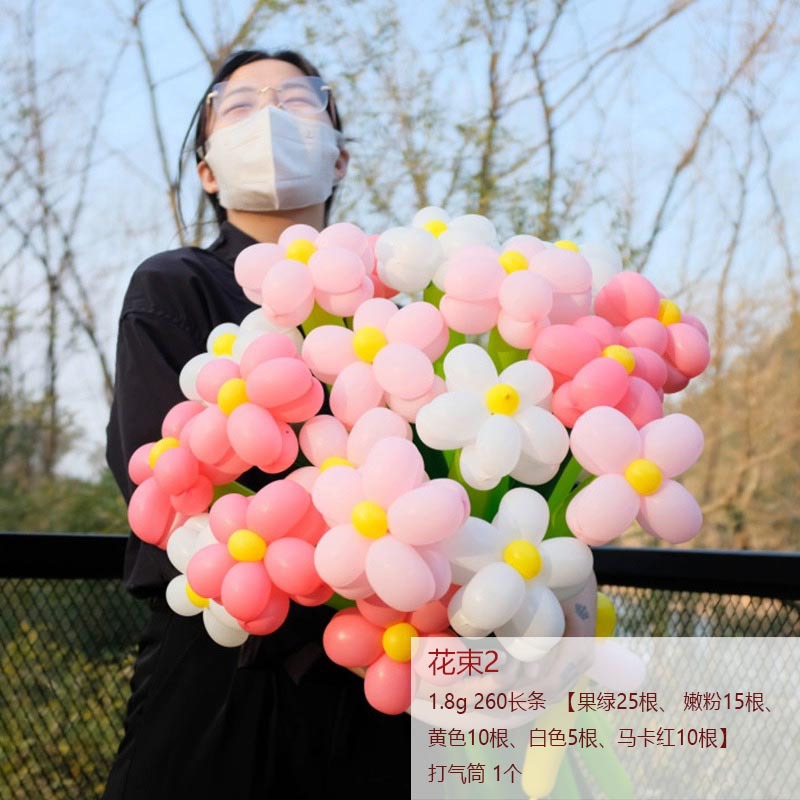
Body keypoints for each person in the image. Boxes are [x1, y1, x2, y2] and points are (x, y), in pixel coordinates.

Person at [105, 46, 598, 800]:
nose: (270, 117)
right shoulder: (177, 286)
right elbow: (163, 477)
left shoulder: (406, 310)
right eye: (239, 106)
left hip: (404, 683)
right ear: (207, 170)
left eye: (299, 100)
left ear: (338, 158)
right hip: (232, 673)